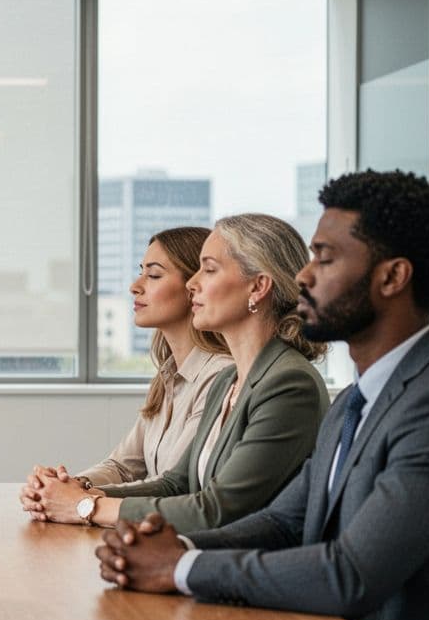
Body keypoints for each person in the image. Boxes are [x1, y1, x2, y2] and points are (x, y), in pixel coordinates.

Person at [93, 170, 429, 620]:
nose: (305, 276)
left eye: (326, 258)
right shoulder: (358, 400)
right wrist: (170, 547)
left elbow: (350, 573)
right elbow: (285, 522)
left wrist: (180, 568)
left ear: (392, 278)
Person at [22, 214, 329, 532]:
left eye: (208, 269)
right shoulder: (229, 381)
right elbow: (176, 484)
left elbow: (215, 510)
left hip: (234, 568)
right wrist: (72, 496)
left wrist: (85, 505)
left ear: (258, 286)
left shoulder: (290, 384)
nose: (193, 284)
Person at [51, 227, 233, 486]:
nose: (135, 287)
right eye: (141, 272)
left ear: (194, 286)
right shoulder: (168, 376)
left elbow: (173, 485)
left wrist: (79, 499)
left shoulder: (220, 377)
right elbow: (122, 466)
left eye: (154, 275)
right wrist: (70, 485)